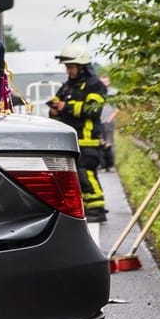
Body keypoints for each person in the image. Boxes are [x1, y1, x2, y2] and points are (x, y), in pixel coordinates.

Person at [47, 43, 109, 220]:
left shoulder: (95, 85)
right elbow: (55, 104)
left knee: (86, 174)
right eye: (67, 67)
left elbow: (93, 109)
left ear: (82, 67)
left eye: (71, 67)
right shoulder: (67, 86)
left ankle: (97, 210)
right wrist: (53, 110)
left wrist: (65, 107)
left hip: (87, 140)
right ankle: (84, 209)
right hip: (70, 140)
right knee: (75, 178)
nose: (68, 71)